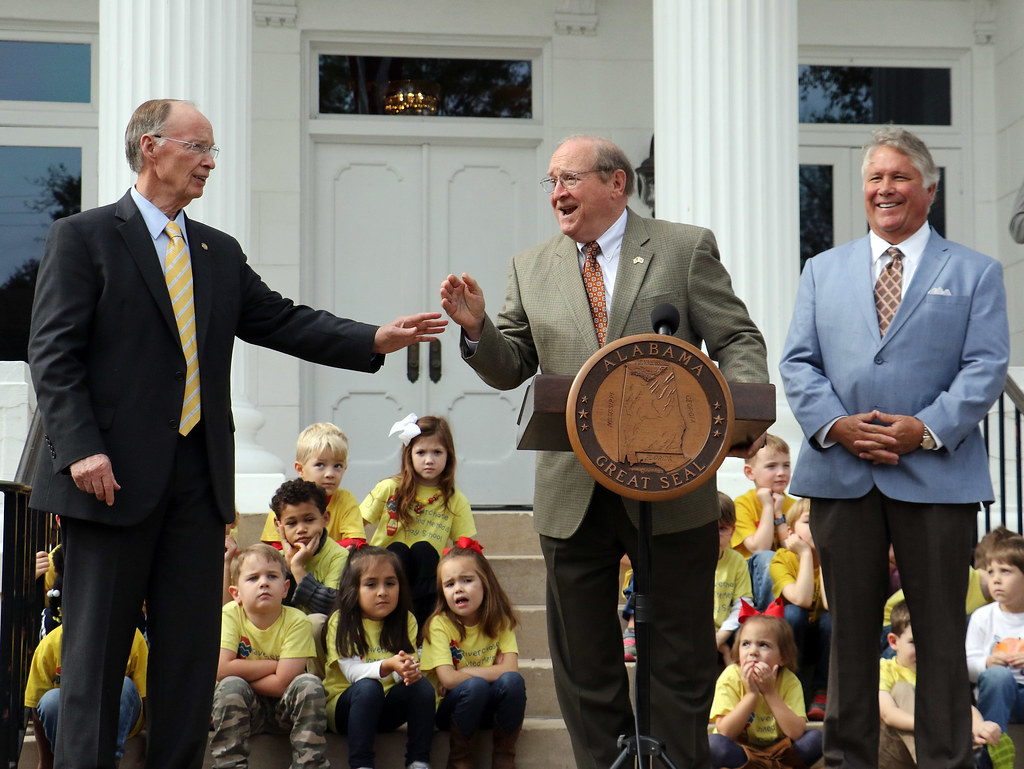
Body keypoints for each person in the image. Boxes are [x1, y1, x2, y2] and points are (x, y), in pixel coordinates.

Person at [25, 97, 446, 769]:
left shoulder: (216, 251)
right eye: (198, 148)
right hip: (106, 482)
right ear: (151, 149)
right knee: (96, 661)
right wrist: (80, 447)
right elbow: (52, 353)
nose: (210, 162)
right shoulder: (84, 237)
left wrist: (371, 338)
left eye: (212, 149)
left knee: (190, 662)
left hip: (197, 486)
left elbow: (282, 319)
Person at [439, 134, 769, 769]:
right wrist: (479, 330)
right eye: (551, 182)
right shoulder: (531, 266)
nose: (557, 192)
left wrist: (732, 413)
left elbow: (736, 337)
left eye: (570, 178)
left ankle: (676, 761)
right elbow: (513, 366)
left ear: (617, 183)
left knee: (678, 649)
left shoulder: (684, 247)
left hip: (672, 485)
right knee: (584, 655)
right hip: (573, 487)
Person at [779, 125, 1010, 769]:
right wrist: (837, 425)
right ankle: (847, 760)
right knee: (848, 630)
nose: (886, 189)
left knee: (938, 632)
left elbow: (986, 365)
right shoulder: (821, 270)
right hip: (839, 470)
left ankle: (944, 760)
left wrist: (923, 429)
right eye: (875, 178)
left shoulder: (975, 272)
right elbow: (798, 362)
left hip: (936, 471)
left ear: (929, 190)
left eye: (900, 177)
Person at [212, 544, 328, 769]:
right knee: (230, 686)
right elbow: (222, 669)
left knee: (309, 684)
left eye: (272, 576)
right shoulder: (230, 614)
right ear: (236, 594)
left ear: (285, 588)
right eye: (253, 578)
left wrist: (242, 670)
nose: (263, 582)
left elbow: (281, 684)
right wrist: (274, 665)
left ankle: (309, 765)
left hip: (287, 712)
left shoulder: (297, 621)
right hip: (245, 710)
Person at [324, 545, 436, 769]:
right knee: (368, 688)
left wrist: (408, 671)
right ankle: (361, 764)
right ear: (353, 589)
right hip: (344, 710)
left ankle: (418, 762)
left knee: (422, 687)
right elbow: (352, 672)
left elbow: (402, 672)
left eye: (390, 583)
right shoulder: (341, 620)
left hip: (385, 709)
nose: (382, 591)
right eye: (371, 584)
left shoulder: (407, 620)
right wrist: (389, 665)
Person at [360, 413, 476, 626]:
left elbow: (465, 548)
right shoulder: (390, 488)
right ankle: (390, 628)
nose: (429, 460)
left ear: (448, 456)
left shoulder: (455, 500)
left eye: (437, 452)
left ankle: (422, 630)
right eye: (421, 452)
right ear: (409, 455)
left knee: (425, 550)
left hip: (426, 579)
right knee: (399, 551)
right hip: (383, 572)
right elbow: (356, 524)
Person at [419, 540, 526, 769]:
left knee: (513, 682)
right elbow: (447, 679)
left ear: (485, 583)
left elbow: (510, 670)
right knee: (475, 687)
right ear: (442, 592)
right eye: (449, 584)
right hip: (452, 710)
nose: (458, 588)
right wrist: (491, 672)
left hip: (488, 707)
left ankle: (504, 758)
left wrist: (464, 671)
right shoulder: (439, 625)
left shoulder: (500, 620)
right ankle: (460, 760)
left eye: (467, 580)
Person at [882, 601, 1008, 769]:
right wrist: (932, 723)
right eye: (914, 642)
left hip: (938, 743)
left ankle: (977, 756)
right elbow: (888, 714)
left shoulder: (938, 671)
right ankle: (947, 759)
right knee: (903, 689)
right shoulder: (885, 669)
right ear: (893, 641)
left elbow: (963, 707)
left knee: (955, 709)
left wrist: (979, 726)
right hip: (892, 753)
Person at [708, 611, 823, 769]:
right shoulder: (730, 676)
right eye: (746, 644)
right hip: (742, 752)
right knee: (714, 745)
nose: (752, 652)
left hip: (780, 752)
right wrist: (751, 694)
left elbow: (796, 733)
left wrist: (769, 692)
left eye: (763, 645)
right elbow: (725, 732)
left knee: (817, 739)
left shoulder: (789, 681)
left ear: (782, 657)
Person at [25, 622, 147, 769]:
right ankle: (65, 760)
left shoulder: (131, 636)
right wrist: (46, 760)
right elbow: (36, 709)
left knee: (123, 685)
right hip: (74, 719)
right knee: (50, 700)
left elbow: (146, 697)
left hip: (121, 716)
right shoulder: (50, 644)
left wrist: (150, 750)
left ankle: (108, 761)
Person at [260, 422, 367, 549]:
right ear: (300, 469)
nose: (330, 474)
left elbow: (356, 542)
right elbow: (274, 547)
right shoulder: (286, 500)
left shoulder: (345, 499)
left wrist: (318, 551)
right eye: (320, 465)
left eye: (337, 466)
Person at [769, 498, 830, 720]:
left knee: (831, 619)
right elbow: (801, 599)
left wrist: (824, 555)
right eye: (808, 520)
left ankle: (822, 692)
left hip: (825, 637)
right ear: (791, 530)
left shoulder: (836, 557)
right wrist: (805, 554)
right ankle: (793, 687)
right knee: (794, 613)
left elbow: (829, 603)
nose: (817, 524)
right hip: (794, 637)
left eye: (822, 520)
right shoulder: (782, 559)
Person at [967, 534, 1024, 733]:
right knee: (997, 676)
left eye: (1005, 571)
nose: (996, 579)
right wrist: (987, 663)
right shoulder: (982, 617)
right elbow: (967, 665)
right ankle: (992, 746)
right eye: (991, 572)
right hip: (996, 695)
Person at [732, 434, 795, 610]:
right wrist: (768, 507)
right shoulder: (742, 504)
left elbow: (793, 551)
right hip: (750, 579)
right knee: (767, 557)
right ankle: (766, 616)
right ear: (750, 472)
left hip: (784, 577)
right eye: (771, 466)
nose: (781, 472)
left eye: (786, 465)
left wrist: (778, 515)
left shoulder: (795, 507)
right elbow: (759, 548)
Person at [272, 478, 349, 616]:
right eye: (291, 523)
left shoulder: (339, 556)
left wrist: (297, 567)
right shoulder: (275, 558)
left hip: (320, 632)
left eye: (309, 520)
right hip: (286, 633)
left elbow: (332, 608)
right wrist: (287, 569)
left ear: (325, 518)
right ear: (278, 526)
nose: (301, 529)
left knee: (316, 622)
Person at [715, 492, 754, 665]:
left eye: (722, 529)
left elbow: (743, 604)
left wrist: (722, 636)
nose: (715, 535)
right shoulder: (690, 559)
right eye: (709, 528)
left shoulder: (737, 560)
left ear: (732, 531)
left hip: (727, 631)